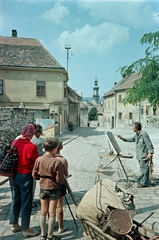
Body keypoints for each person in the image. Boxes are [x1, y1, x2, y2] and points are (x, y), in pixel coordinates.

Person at [32, 138, 66, 240]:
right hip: (54, 189)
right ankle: (50, 236)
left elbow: (34, 174)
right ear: (55, 149)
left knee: (43, 211)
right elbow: (59, 179)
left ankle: (43, 234)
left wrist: (41, 178)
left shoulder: (38, 160)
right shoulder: (57, 162)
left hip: (43, 188)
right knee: (52, 212)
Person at [9, 124, 39, 238]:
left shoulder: (14, 143)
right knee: (26, 202)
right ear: (31, 132)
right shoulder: (31, 146)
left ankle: (15, 224)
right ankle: (26, 228)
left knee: (15, 199)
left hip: (14, 175)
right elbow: (36, 162)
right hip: (25, 176)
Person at [118, 122, 154, 188]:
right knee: (143, 169)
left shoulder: (143, 134)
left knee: (144, 169)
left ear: (136, 128)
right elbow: (131, 139)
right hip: (140, 155)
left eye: (133, 127)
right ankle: (144, 181)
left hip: (144, 155)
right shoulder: (137, 134)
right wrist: (122, 138)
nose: (132, 128)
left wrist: (150, 153)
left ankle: (144, 183)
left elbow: (149, 143)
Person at [54, 140, 68, 234]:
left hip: (47, 185)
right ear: (61, 148)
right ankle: (60, 227)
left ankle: (52, 224)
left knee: (50, 206)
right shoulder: (62, 160)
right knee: (59, 206)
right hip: (59, 185)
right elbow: (65, 174)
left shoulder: (44, 158)